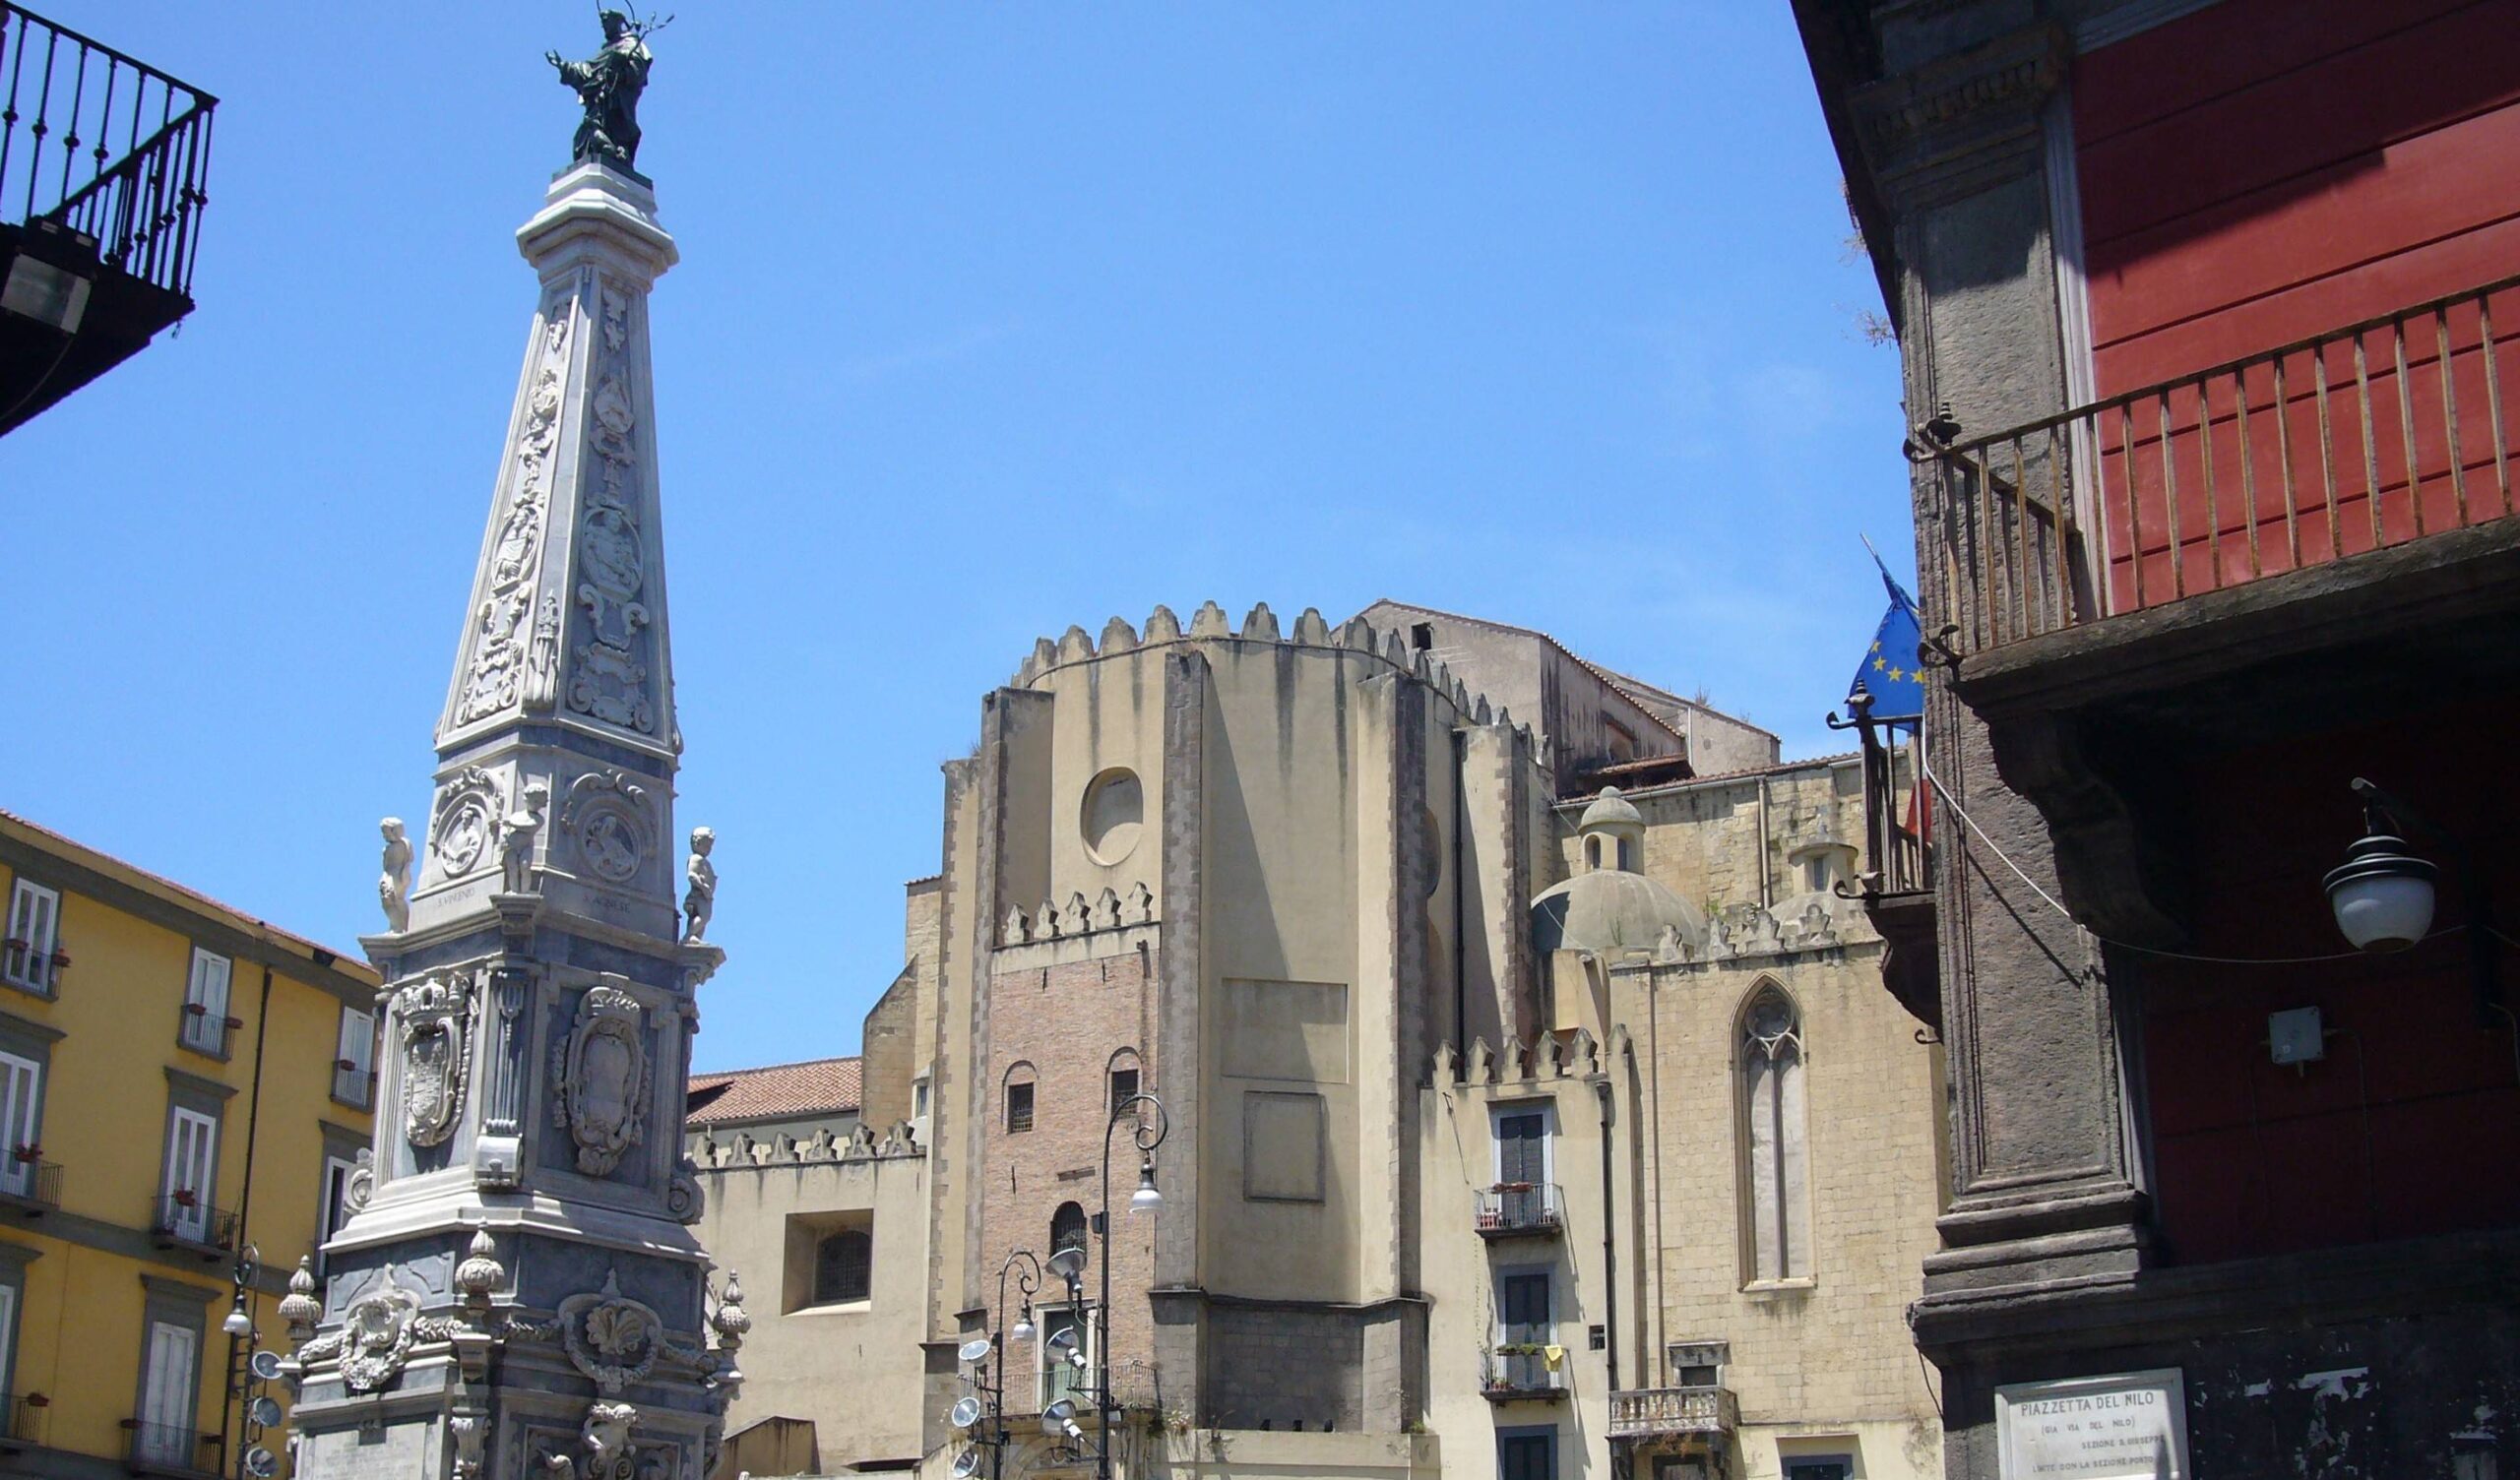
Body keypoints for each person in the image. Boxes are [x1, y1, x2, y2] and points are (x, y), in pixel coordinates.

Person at [548, 12, 655, 168]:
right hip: (598, 102)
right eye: (603, 25)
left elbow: (638, 72)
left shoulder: (631, 44)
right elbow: (588, 71)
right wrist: (563, 66)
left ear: (616, 23)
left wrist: (620, 73)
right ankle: (608, 153)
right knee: (584, 138)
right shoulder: (606, 50)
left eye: (607, 24)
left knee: (607, 133)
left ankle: (617, 153)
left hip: (616, 102)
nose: (605, 28)